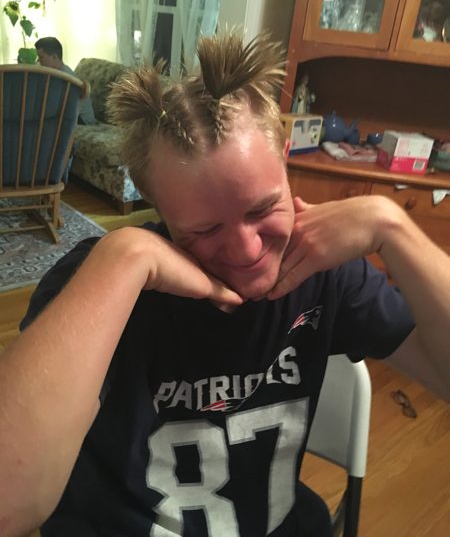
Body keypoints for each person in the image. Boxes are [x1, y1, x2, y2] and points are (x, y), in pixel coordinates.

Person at [0, 32, 449, 537]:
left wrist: (394, 226)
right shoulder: (97, 282)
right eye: (205, 230)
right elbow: (9, 504)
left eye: (264, 208)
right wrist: (123, 255)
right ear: (155, 202)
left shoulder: (321, 267)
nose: (248, 251)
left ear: (284, 156)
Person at [35, 36, 96, 125]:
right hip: (70, 114)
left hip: (82, 120)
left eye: (41, 57)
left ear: (54, 57)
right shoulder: (54, 72)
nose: (38, 61)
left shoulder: (66, 77)